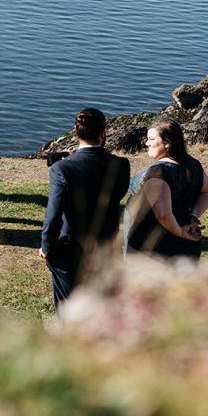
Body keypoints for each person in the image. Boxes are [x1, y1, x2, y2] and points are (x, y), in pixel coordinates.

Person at [39, 107, 130, 309]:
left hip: (70, 249)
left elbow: (53, 215)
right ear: (103, 134)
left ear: (76, 131)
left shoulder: (62, 168)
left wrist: (46, 246)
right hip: (105, 247)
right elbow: (118, 194)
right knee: (102, 305)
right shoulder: (120, 165)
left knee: (68, 308)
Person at [126, 120, 208, 259]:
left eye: (151, 139)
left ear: (167, 143)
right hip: (188, 243)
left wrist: (181, 232)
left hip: (156, 245)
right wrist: (193, 215)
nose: (146, 143)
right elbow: (207, 191)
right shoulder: (194, 164)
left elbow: (164, 215)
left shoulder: (160, 172)